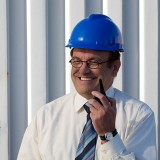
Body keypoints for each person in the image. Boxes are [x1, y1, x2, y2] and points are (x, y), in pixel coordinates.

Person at [17, 14, 157, 160]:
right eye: (77, 61)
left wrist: (109, 135)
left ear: (114, 67)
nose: (83, 70)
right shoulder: (46, 117)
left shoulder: (138, 116)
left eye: (93, 62)